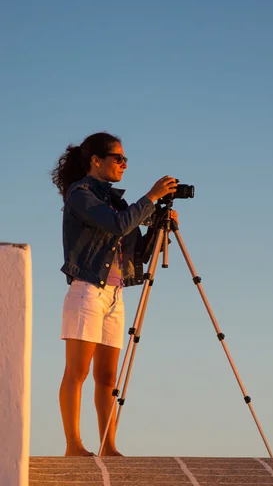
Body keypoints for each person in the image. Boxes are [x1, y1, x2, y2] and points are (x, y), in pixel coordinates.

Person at [51, 131, 178, 456]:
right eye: (118, 158)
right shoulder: (80, 194)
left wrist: (157, 228)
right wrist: (150, 197)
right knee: (77, 371)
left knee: (107, 376)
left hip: (114, 293)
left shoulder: (117, 201)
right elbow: (116, 225)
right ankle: (74, 445)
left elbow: (137, 252)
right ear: (96, 161)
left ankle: (108, 445)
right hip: (87, 291)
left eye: (125, 159)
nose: (124, 164)